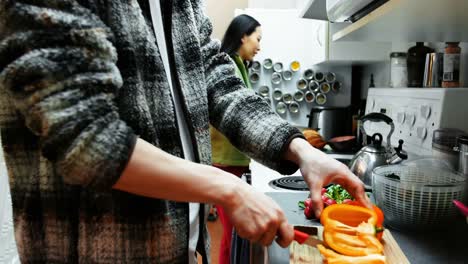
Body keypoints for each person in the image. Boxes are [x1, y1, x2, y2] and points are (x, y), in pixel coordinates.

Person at [0, 1, 370, 263]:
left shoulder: (182, 5)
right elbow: (85, 133)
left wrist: (300, 149)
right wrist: (229, 189)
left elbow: (214, 78)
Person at [210, 14, 261, 264]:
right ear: (243, 35)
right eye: (257, 38)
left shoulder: (239, 65)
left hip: (233, 162)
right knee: (231, 234)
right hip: (224, 162)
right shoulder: (227, 65)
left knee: (233, 234)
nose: (259, 45)